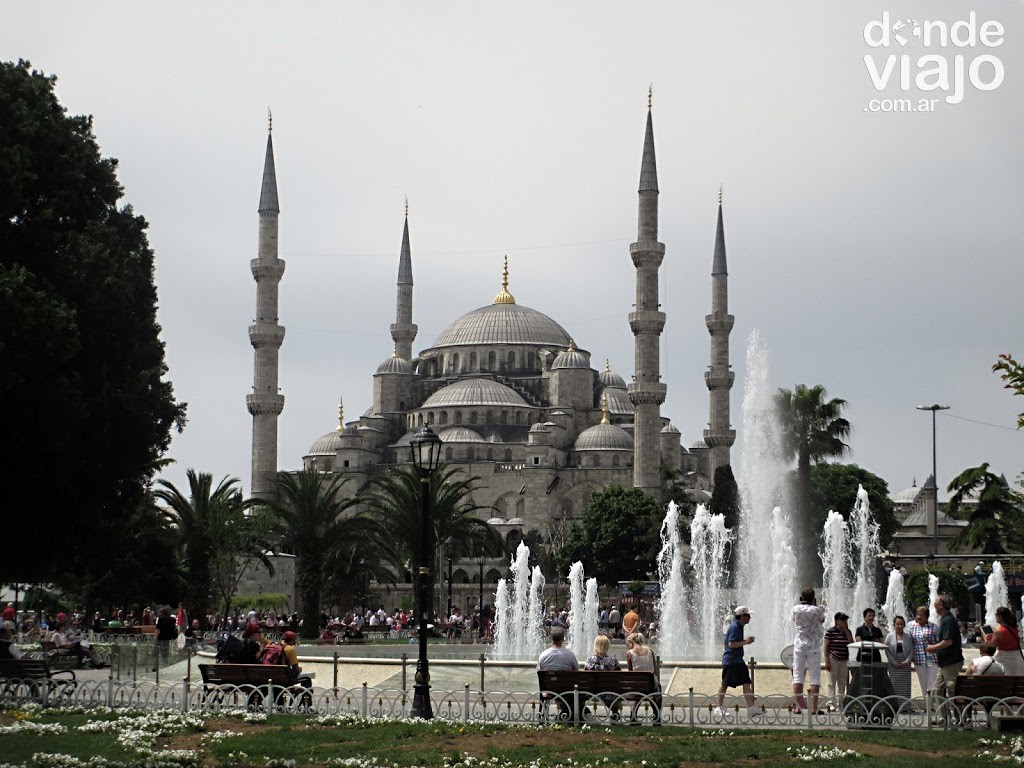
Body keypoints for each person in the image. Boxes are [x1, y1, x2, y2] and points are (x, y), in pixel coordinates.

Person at [715, 605, 760, 720]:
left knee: (746, 681)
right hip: (731, 661)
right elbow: (731, 644)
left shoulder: (739, 626)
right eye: (748, 615)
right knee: (725, 683)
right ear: (742, 617)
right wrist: (746, 642)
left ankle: (751, 708)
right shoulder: (735, 627)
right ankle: (718, 708)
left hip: (738, 660)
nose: (749, 618)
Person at [791, 586, 826, 715]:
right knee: (815, 677)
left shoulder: (796, 609)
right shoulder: (817, 610)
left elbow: (794, 621)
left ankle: (799, 705)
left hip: (799, 645)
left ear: (801, 598)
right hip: (813, 646)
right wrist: (817, 606)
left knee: (798, 675)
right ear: (813, 598)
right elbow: (822, 621)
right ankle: (814, 707)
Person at [926, 595, 964, 703]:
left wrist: (932, 647)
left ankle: (958, 717)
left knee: (952, 690)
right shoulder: (944, 619)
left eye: (936, 603)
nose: (934, 605)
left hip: (951, 661)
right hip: (943, 662)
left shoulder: (948, 620)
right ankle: (942, 718)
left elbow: (948, 641)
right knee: (937, 690)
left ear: (941, 606)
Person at [823, 612, 853, 710]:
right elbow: (826, 646)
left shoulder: (848, 631)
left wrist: (847, 631)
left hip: (844, 659)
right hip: (833, 658)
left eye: (845, 620)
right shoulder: (830, 632)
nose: (844, 622)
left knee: (842, 682)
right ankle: (831, 703)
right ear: (836, 621)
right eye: (842, 620)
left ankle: (840, 703)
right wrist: (826, 660)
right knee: (831, 682)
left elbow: (851, 643)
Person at [908, 605, 939, 697]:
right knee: (923, 683)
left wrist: (933, 647)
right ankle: (926, 705)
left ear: (927, 616)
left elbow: (938, 642)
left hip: (932, 659)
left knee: (931, 683)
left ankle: (931, 705)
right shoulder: (911, 626)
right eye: (918, 615)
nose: (919, 617)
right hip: (918, 659)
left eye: (922, 615)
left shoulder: (934, 627)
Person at [984, 606, 1024, 676]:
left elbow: (991, 648)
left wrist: (986, 638)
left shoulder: (998, 631)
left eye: (996, 614)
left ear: (1000, 617)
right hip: (1018, 659)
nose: (995, 616)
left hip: (1003, 661)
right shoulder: (1015, 628)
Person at [884, 615, 915, 700]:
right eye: (897, 624)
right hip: (894, 664)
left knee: (905, 685)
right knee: (895, 684)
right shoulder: (889, 636)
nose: (899, 626)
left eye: (901, 624)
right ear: (894, 625)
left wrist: (907, 661)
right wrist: (893, 662)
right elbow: (887, 650)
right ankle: (895, 705)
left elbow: (912, 650)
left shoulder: (908, 636)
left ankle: (905, 706)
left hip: (905, 664)